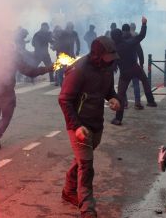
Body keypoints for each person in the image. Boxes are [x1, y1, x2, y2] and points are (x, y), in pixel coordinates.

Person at [59, 36, 121, 218]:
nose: (113, 59)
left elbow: (109, 90)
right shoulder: (79, 69)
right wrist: (77, 127)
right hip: (79, 125)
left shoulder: (108, 68)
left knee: (81, 161)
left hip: (96, 124)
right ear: (98, 54)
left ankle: (69, 191)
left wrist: (114, 99)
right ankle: (87, 209)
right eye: (110, 55)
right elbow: (64, 100)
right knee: (87, 167)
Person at [0, 29, 53, 151]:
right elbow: (30, 71)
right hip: (6, 91)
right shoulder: (13, 55)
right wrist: (48, 69)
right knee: (6, 116)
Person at [110, 17, 156, 126]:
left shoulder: (113, 49)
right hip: (135, 68)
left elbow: (110, 64)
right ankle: (150, 101)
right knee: (145, 81)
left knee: (120, 96)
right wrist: (144, 24)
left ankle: (118, 119)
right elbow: (141, 36)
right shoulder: (128, 42)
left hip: (124, 73)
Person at [53, 22, 80, 87]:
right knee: (60, 69)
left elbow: (77, 41)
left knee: (73, 68)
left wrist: (78, 50)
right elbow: (57, 41)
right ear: (67, 27)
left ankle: (71, 81)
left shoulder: (74, 33)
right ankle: (60, 82)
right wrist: (55, 47)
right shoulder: (63, 33)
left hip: (71, 53)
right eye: (69, 27)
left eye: (71, 27)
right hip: (62, 53)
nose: (70, 28)